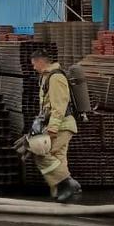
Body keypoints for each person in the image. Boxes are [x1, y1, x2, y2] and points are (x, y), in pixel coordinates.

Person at [31, 50, 81, 202]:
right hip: (60, 124)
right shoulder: (47, 77)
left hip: (62, 125)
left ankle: (68, 184)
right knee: (58, 158)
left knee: (41, 154)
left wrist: (52, 128)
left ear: (41, 61)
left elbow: (59, 105)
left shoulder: (56, 77)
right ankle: (61, 194)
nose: (33, 68)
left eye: (34, 64)